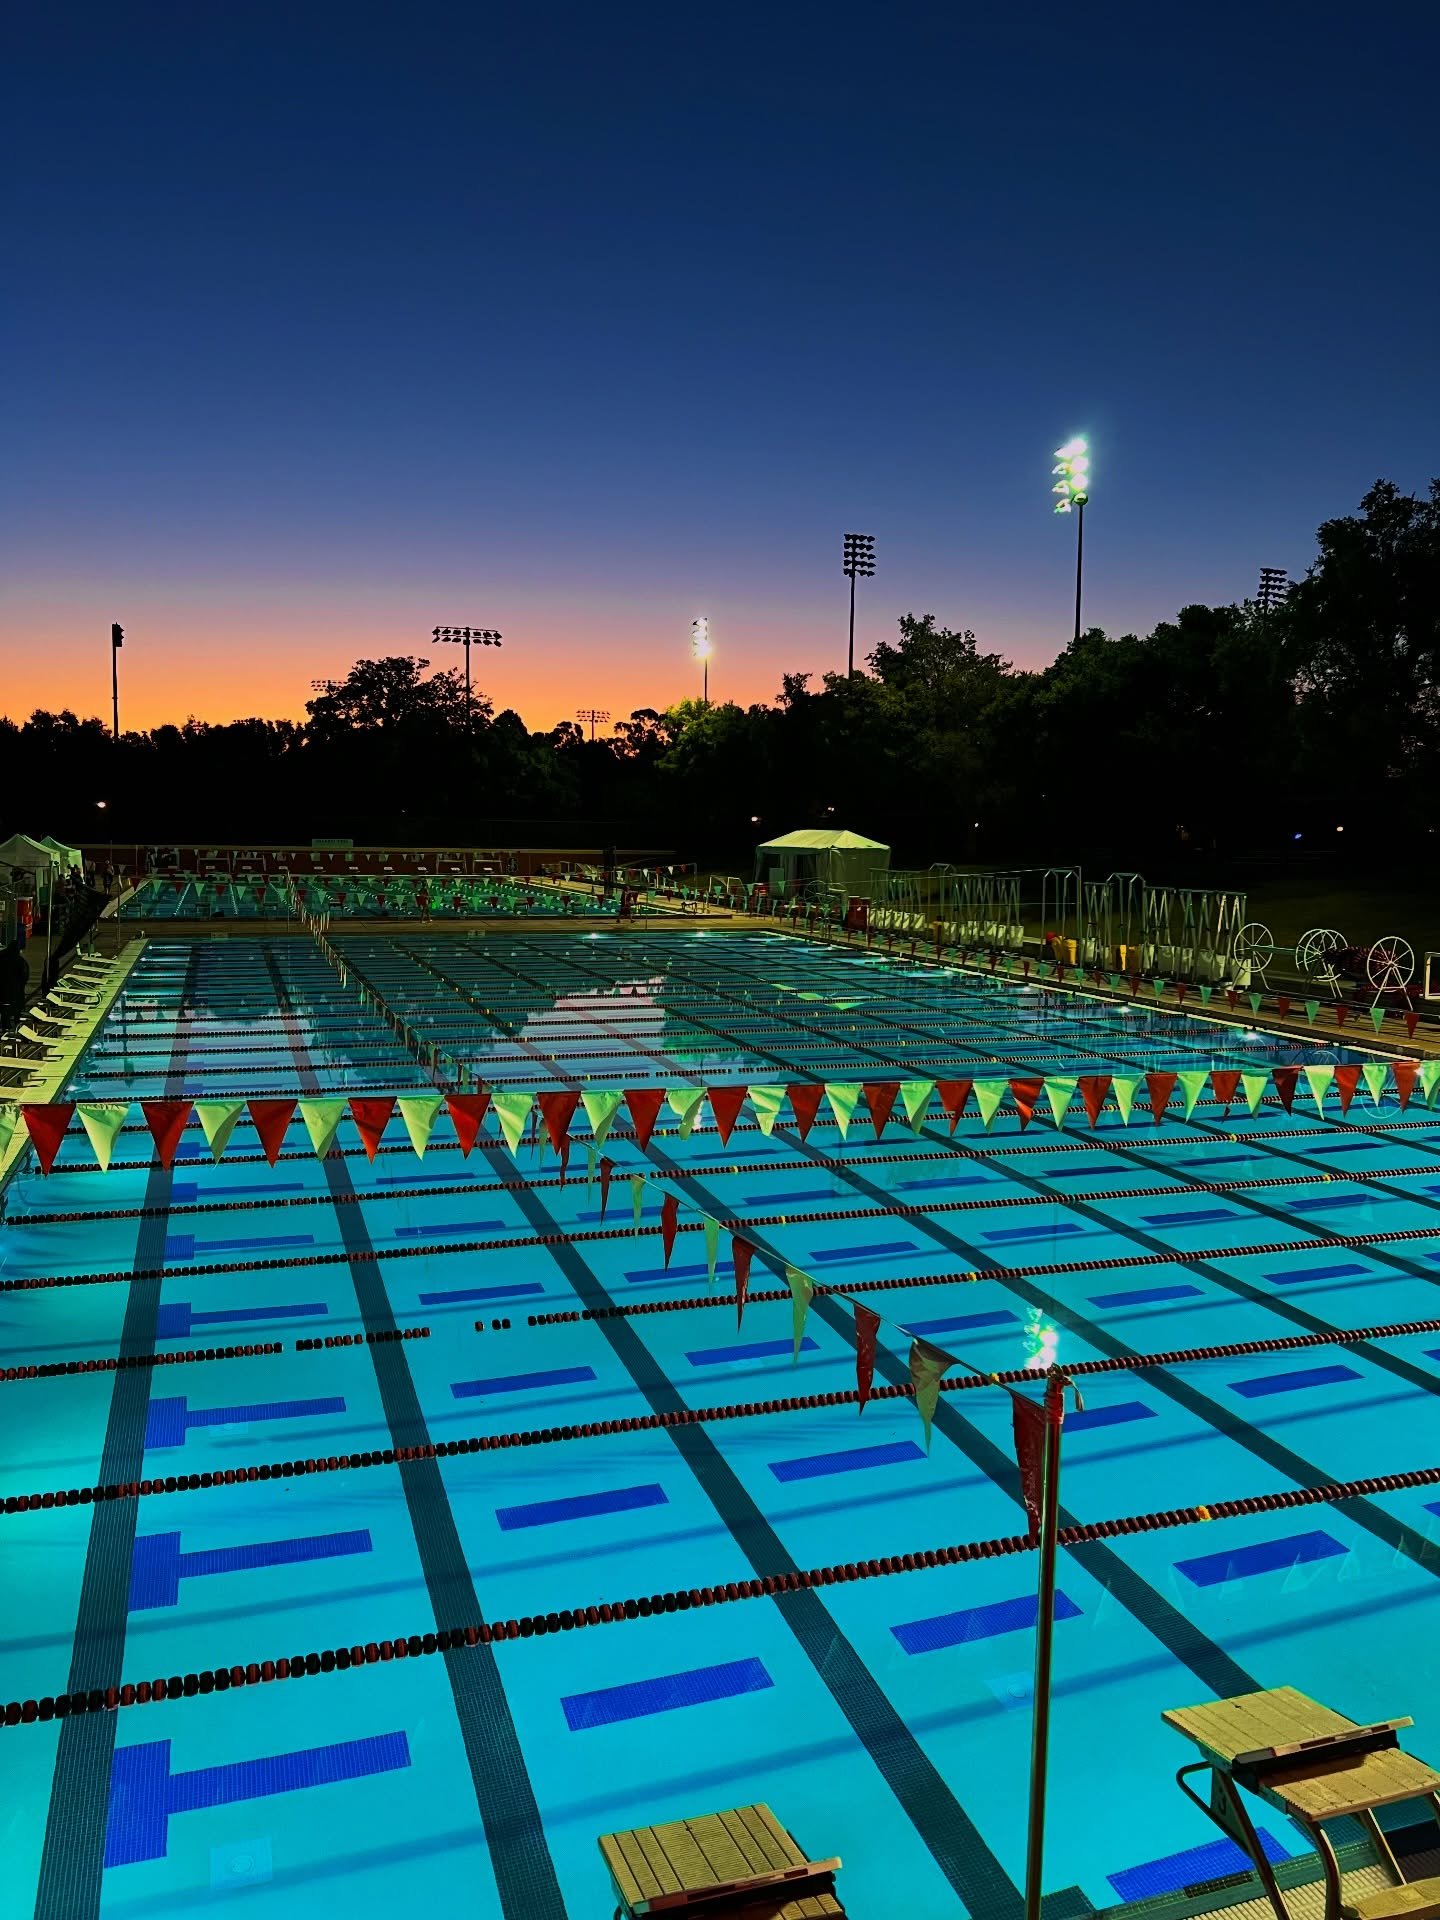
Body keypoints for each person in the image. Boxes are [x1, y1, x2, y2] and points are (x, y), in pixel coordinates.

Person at [0, 938, 29, 1032]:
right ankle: (17, 1025)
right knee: (16, 1008)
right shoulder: (20, 960)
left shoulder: (1, 956)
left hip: (2, 988)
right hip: (16, 989)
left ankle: (5, 1026)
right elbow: (24, 974)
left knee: (4, 1008)